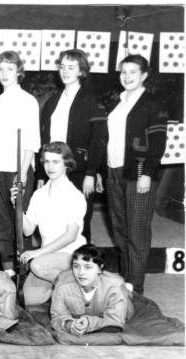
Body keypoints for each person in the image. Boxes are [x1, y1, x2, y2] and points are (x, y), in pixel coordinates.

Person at [105, 54, 168, 296]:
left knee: (137, 233)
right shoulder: (119, 102)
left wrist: (147, 174)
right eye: (124, 72)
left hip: (138, 173)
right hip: (114, 171)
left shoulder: (152, 104)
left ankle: (136, 290)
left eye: (133, 72)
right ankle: (125, 283)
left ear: (144, 75)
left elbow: (158, 142)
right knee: (120, 231)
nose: (127, 76)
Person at [38, 49, 108, 243]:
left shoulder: (91, 100)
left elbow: (99, 139)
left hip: (80, 170)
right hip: (54, 169)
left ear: (81, 71)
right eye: (62, 67)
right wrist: (41, 175)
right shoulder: (53, 101)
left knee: (79, 223)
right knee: (54, 222)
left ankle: (82, 268)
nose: (65, 71)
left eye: (71, 67)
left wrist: (91, 173)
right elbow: (44, 140)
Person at [0, 50, 40, 275]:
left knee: (18, 222)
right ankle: (8, 270)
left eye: (10, 69)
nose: (5, 74)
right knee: (0, 221)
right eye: (1, 69)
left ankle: (22, 270)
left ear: (18, 72)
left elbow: (32, 141)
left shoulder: (28, 101)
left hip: (17, 169)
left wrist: (23, 172)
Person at [11, 142, 87, 305]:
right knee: (29, 299)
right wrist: (17, 207)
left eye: (55, 162)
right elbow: (28, 230)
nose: (50, 167)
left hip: (71, 254)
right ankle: (62, 287)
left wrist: (37, 253)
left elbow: (70, 236)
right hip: (49, 257)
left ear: (66, 163)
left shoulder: (74, 195)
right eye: (46, 161)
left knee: (37, 266)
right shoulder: (39, 194)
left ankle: (83, 289)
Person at [51, 245, 134, 335]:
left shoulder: (115, 286)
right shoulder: (62, 285)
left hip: (113, 297)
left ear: (100, 268)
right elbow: (57, 317)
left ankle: (127, 290)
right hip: (86, 313)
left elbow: (116, 321)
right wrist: (69, 324)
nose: (81, 272)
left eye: (88, 267)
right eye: (76, 266)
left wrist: (89, 323)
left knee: (123, 303)